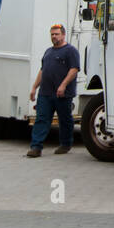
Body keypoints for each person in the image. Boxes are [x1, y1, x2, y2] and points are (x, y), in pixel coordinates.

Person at [26, 23, 80, 157]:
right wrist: (34, 87)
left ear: (63, 35)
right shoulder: (48, 52)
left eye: (57, 34)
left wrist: (63, 85)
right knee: (41, 119)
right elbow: (42, 70)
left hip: (62, 94)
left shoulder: (70, 51)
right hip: (45, 93)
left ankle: (65, 144)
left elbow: (74, 70)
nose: (54, 36)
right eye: (52, 34)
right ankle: (36, 147)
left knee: (65, 120)